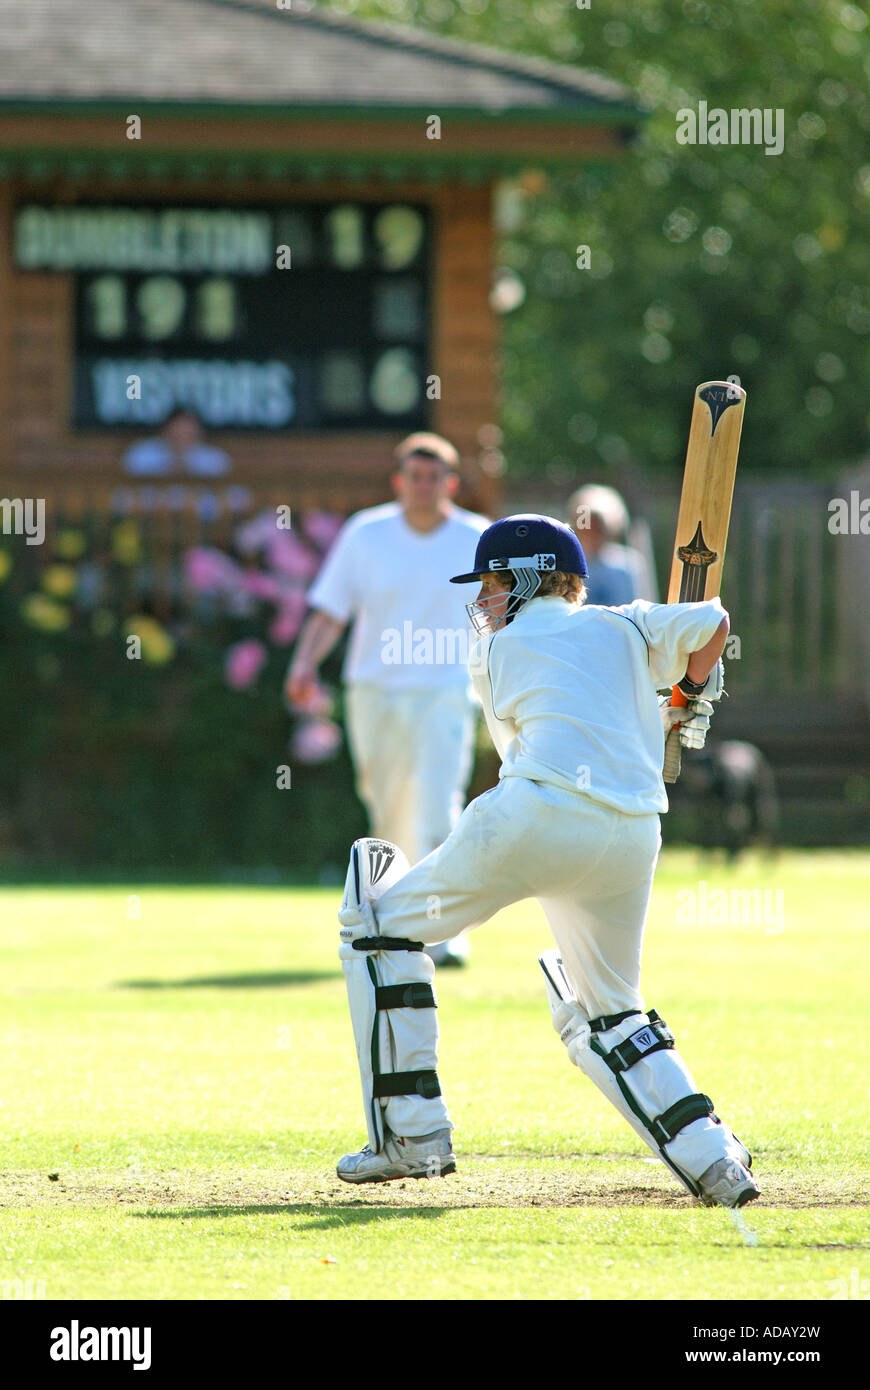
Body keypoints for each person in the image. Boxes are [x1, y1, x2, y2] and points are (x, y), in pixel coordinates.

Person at [333, 513, 760, 1209]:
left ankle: (409, 1135)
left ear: (528, 578)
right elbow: (713, 621)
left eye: (494, 582)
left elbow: (530, 749)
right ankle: (715, 1160)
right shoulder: (630, 625)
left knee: (375, 924)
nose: (484, 600)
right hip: (631, 833)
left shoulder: (493, 655)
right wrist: (684, 697)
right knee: (612, 1013)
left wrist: (665, 706)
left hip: (536, 816)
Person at [286, 433, 489, 966]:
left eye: (435, 478)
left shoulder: (476, 538)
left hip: (445, 689)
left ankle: (444, 931)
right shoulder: (366, 534)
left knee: (439, 806)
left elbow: (497, 617)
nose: (424, 488)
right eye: (414, 477)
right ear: (399, 481)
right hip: (374, 690)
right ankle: (396, 920)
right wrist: (305, 663)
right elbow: (332, 610)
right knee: (385, 804)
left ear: (451, 483)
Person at [569, 483, 657, 605]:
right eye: (587, 524)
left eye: (598, 526)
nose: (591, 531)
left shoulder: (628, 564)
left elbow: (639, 610)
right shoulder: (568, 566)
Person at [122, 408, 231, 478]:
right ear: (166, 430)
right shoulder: (141, 453)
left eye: (187, 431)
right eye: (177, 430)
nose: (182, 436)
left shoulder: (216, 458)